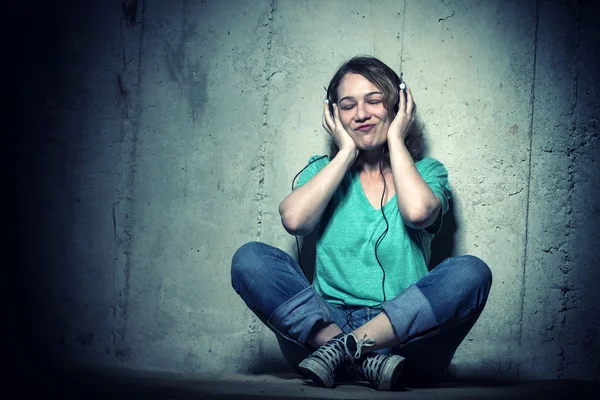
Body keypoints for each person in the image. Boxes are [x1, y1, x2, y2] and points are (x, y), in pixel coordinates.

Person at [231, 56, 492, 391]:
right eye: (348, 105)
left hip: (404, 335)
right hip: (323, 327)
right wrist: (345, 154)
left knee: (472, 271)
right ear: (334, 114)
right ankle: (359, 359)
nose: (361, 114)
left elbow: (417, 214)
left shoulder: (427, 172)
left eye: (374, 100)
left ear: (397, 106)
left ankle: (342, 354)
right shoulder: (322, 170)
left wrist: (396, 138)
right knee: (250, 258)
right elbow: (294, 221)